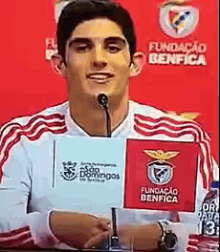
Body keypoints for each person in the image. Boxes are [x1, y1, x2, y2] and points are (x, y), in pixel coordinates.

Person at [0, 0, 218, 251]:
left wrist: (164, 236)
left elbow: (213, 232)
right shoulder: (22, 137)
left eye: (113, 48)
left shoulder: (182, 138)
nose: (99, 59)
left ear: (134, 64)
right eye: (83, 48)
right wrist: (51, 225)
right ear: (60, 64)